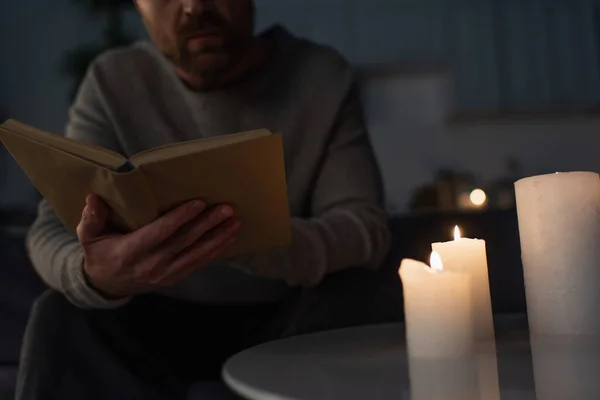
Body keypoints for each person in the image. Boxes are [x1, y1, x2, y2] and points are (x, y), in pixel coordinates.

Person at [17, 0, 392, 398]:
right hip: (150, 319)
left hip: (288, 317)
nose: (195, 6)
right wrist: (95, 275)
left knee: (357, 293)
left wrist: (243, 236)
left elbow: (364, 229)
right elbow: (50, 229)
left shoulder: (319, 76)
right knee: (60, 314)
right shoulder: (114, 79)